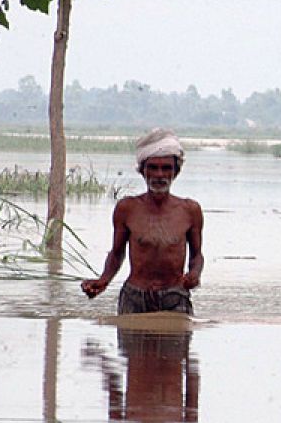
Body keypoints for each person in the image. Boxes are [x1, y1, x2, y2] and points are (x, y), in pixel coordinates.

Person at [82, 128, 204, 314]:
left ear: (176, 172)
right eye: (153, 168)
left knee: (178, 341)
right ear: (142, 171)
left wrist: (194, 275)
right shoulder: (127, 208)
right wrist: (103, 281)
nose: (159, 175)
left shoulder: (190, 210)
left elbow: (197, 256)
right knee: (129, 342)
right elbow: (117, 253)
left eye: (166, 168)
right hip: (134, 297)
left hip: (175, 296)